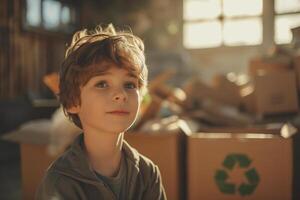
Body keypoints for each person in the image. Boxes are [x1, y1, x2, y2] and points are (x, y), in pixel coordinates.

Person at [36, 24, 167, 200]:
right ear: (73, 102)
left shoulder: (148, 173)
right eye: (102, 84)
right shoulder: (59, 183)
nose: (120, 95)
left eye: (129, 85)